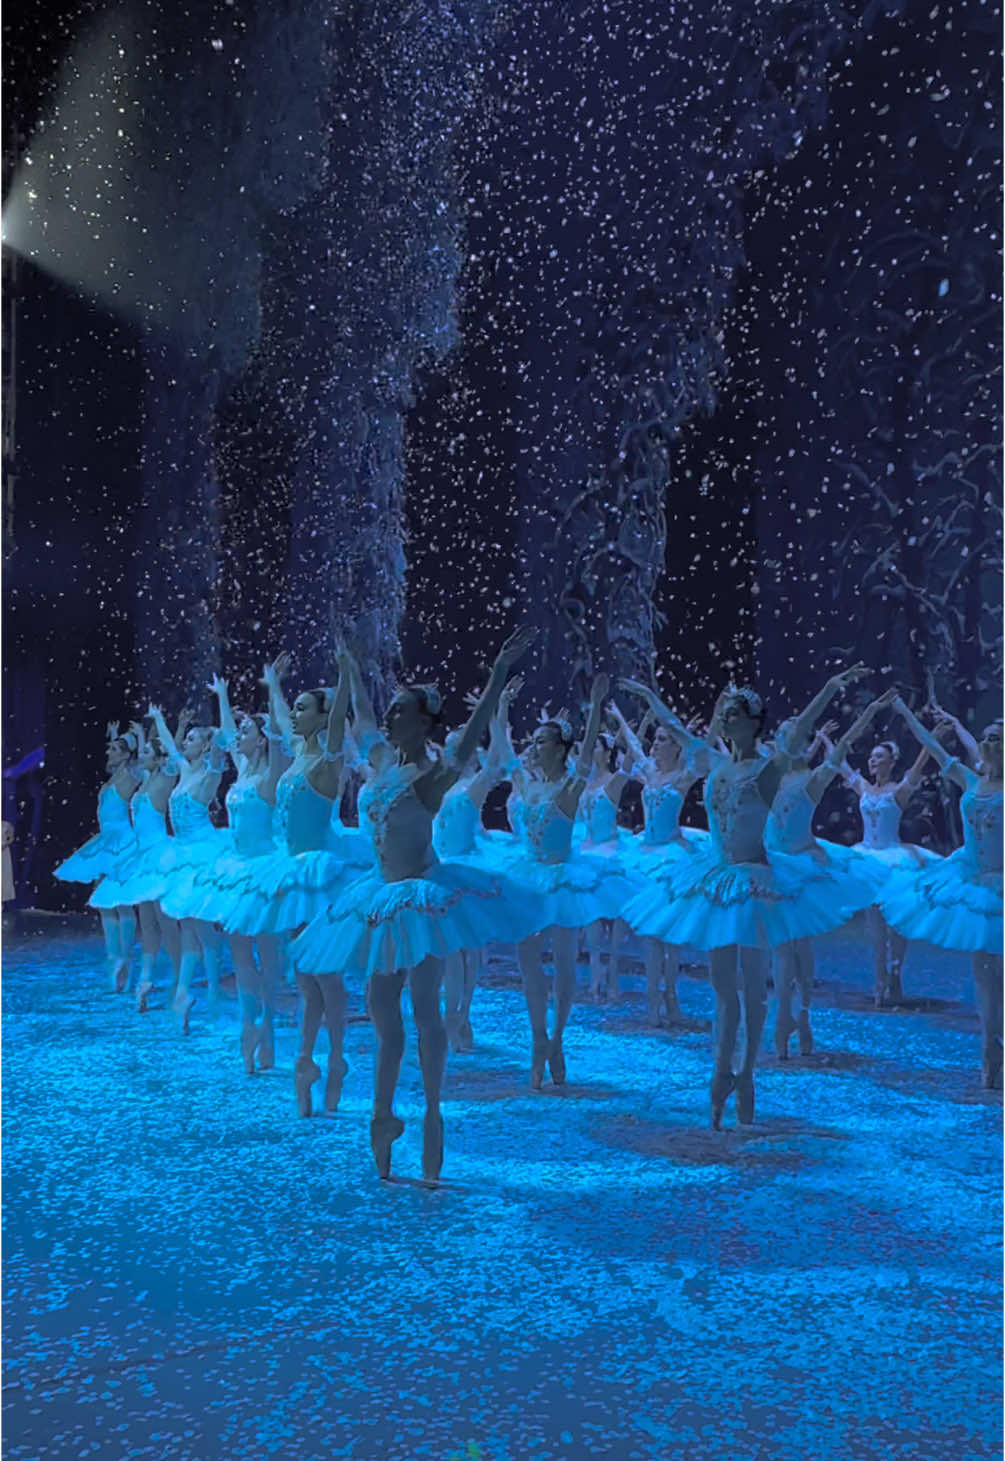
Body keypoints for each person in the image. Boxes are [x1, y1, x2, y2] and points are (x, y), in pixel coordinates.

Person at [292, 628, 539, 1182]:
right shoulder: (380, 762)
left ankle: (431, 1113)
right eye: (393, 709)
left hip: (422, 896)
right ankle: (384, 1113)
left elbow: (470, 744)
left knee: (425, 1008)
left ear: (423, 722)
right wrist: (349, 669)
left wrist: (497, 677)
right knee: (383, 1012)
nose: (390, 716)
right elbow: (359, 717)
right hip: (379, 896)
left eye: (402, 710)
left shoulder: (430, 775)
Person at [621, 681, 845, 1129]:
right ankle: (722, 1069)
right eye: (724, 714)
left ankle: (748, 1074)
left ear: (754, 722)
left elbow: (800, 730)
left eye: (735, 714)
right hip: (718, 877)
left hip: (756, 880)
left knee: (754, 987)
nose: (726, 719)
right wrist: (649, 698)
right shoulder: (716, 763)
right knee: (723, 985)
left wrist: (831, 689)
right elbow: (675, 729)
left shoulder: (769, 768)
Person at [503, 674, 639, 1090]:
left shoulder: (570, 784)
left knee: (563, 964)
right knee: (528, 965)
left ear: (560, 748)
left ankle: (557, 1038)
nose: (534, 747)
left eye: (542, 741)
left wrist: (595, 707)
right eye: (534, 741)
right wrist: (501, 705)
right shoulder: (526, 783)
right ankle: (537, 1038)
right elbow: (503, 753)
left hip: (563, 878)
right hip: (527, 876)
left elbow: (584, 761)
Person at [881, 701, 1003, 1089]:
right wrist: (905, 712)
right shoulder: (972, 780)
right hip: (971, 880)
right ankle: (989, 1041)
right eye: (986, 737)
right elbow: (938, 749)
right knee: (983, 967)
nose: (988, 741)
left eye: (996, 737)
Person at [54, 724, 140, 991]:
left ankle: (125, 956)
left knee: (122, 901)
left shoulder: (129, 775)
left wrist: (137, 738)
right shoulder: (112, 779)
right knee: (104, 901)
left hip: (122, 841)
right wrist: (116, 738)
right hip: (105, 840)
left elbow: (138, 764)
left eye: (115, 749)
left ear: (126, 756)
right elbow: (120, 758)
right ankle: (114, 957)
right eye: (109, 748)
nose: (109, 751)